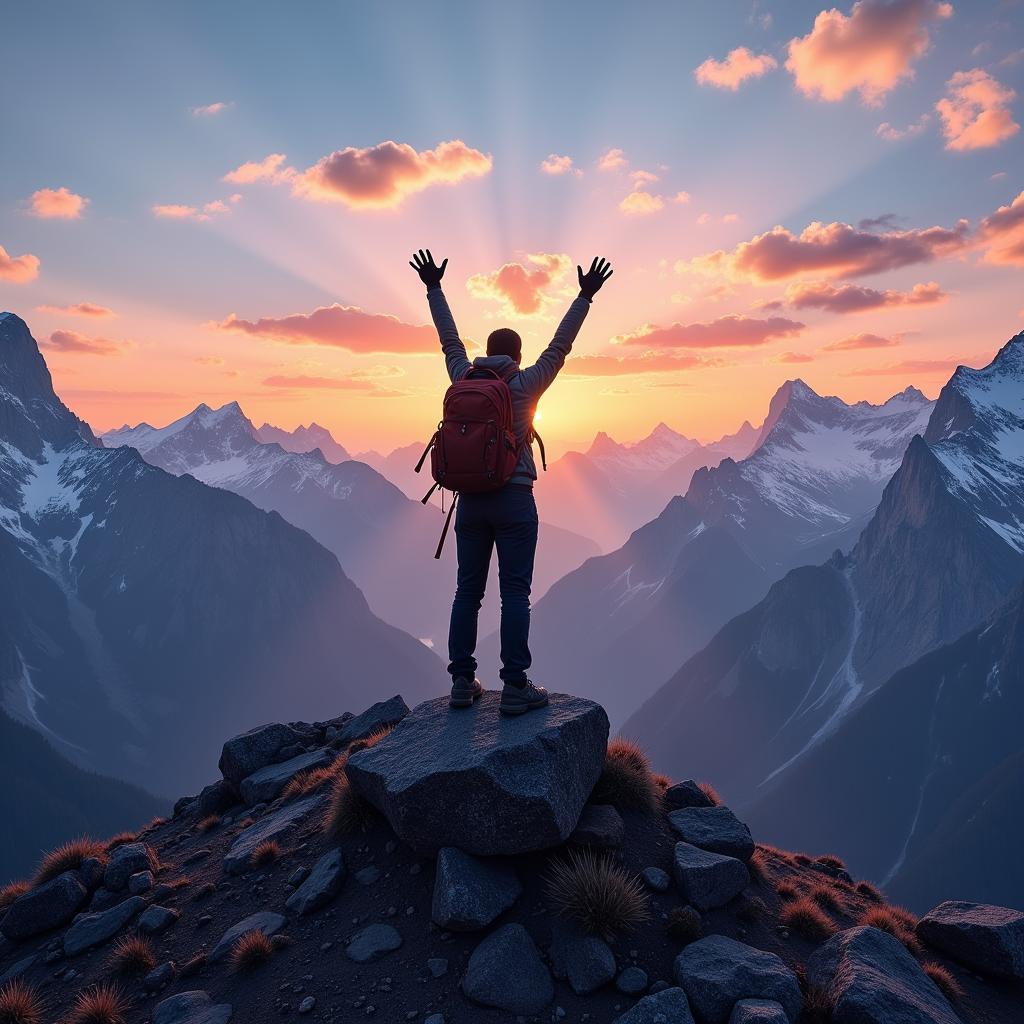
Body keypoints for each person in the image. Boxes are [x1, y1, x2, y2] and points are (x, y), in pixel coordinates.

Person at [410, 249, 613, 715]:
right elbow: (559, 348)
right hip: (515, 501)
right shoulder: (524, 387)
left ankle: (462, 682)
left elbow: (448, 341)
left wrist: (433, 287)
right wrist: (584, 295)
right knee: (514, 593)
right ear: (517, 357)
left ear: (488, 351)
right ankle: (515, 686)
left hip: (471, 502)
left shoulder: (463, 376)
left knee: (467, 591)